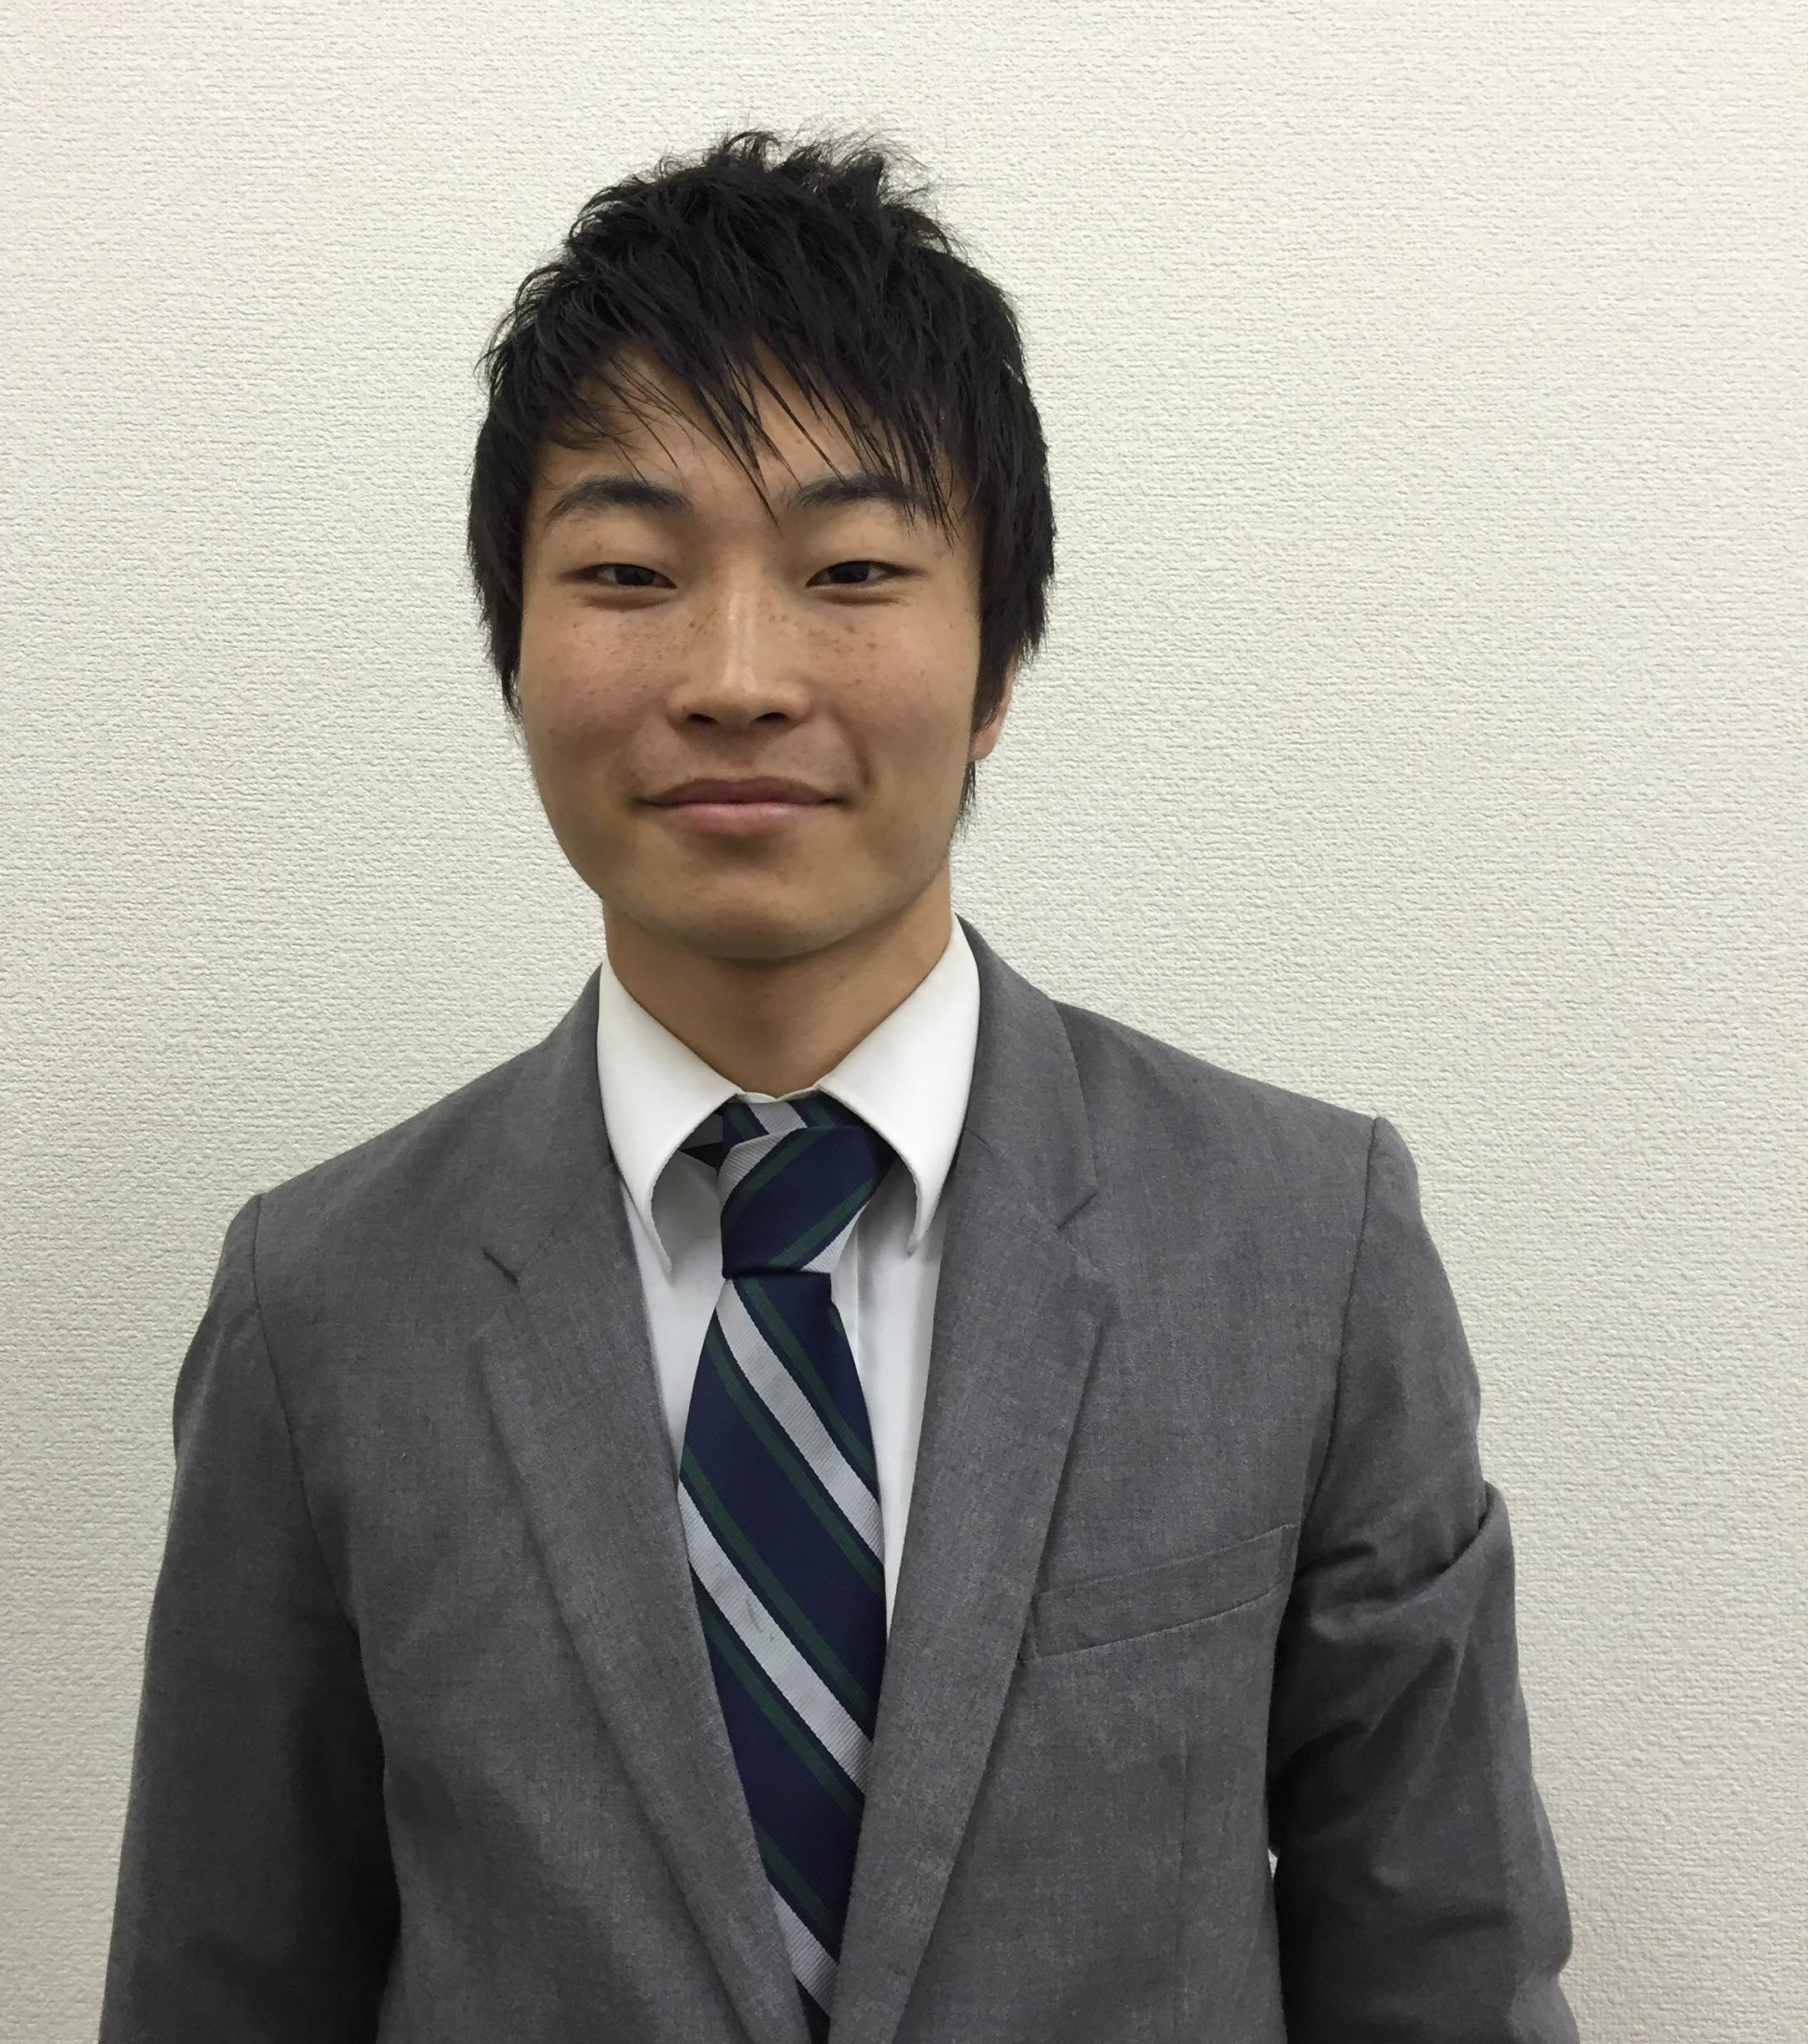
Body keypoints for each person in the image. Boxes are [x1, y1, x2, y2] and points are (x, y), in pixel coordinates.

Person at [98, 125, 1579, 2044]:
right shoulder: (320, 1304)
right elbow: (222, 1987)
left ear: (998, 663)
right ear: (514, 652)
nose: (737, 674)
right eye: (630, 570)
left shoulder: (1305, 1248)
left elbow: (1447, 1972)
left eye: (853, 569)